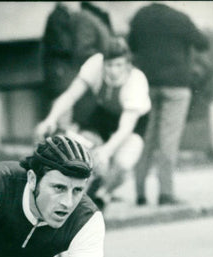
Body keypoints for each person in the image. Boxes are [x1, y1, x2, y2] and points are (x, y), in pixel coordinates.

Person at [35, 37, 150, 208]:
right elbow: (70, 95)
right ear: (103, 62)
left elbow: (125, 128)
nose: (114, 71)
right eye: (109, 65)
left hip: (132, 123)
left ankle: (104, 194)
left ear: (127, 64)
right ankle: (79, 194)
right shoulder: (94, 64)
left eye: (119, 65)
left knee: (123, 164)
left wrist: (107, 150)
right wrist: (50, 119)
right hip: (103, 115)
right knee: (81, 151)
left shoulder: (136, 81)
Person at [128, 2, 209, 207]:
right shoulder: (180, 18)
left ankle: (140, 193)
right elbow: (202, 43)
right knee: (168, 140)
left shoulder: (140, 16)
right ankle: (165, 193)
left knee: (144, 137)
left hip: (146, 83)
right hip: (176, 85)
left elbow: (132, 45)